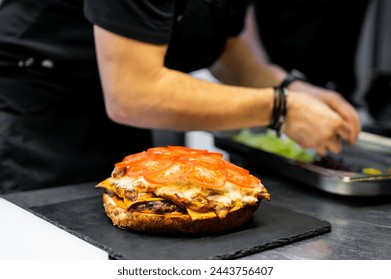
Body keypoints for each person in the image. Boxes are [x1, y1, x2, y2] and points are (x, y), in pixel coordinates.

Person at [0, 0, 360, 194]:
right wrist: (281, 109)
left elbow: (224, 45)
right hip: (40, 110)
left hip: (119, 113)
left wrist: (289, 88)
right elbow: (133, 93)